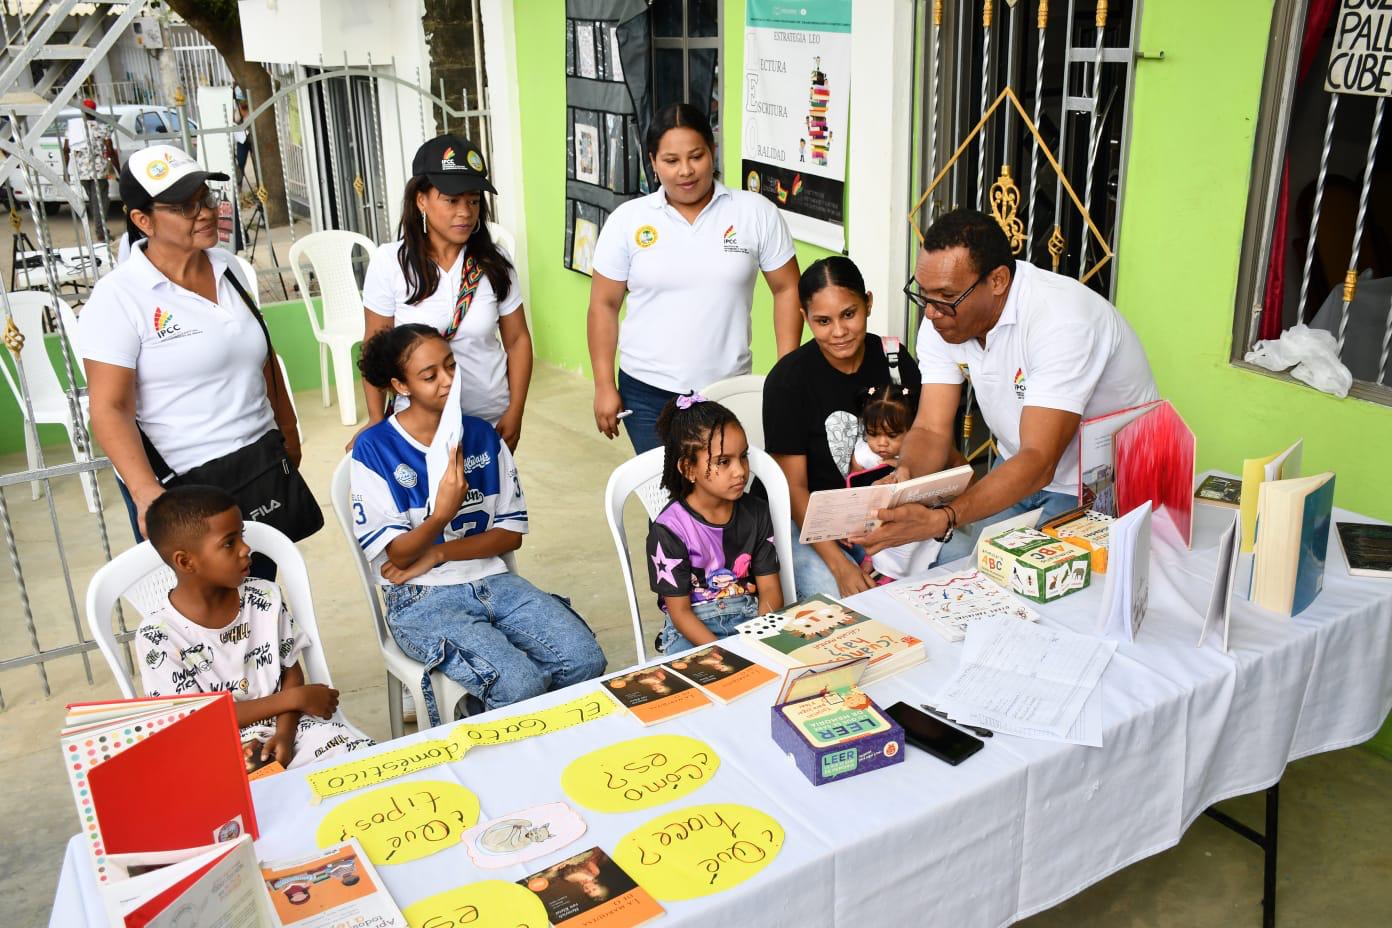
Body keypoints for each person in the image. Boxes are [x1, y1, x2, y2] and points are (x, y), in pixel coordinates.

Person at [856, 208, 1159, 559]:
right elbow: (930, 429)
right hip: (1015, 464)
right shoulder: (942, 316)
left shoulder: (1062, 319)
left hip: (1100, 484)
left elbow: (1039, 461)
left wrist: (943, 519)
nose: (930, 312)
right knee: (962, 570)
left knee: (1039, 591)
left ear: (997, 281)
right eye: (923, 294)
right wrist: (907, 475)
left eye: (944, 297)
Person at [350, 324, 606, 724]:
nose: (448, 381)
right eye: (430, 375)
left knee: (585, 660)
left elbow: (509, 535)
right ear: (400, 386)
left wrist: (438, 552)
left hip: (495, 581)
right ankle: (487, 725)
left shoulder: (483, 436)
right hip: (421, 599)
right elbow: (397, 554)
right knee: (519, 685)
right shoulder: (375, 449)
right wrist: (441, 514)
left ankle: (504, 721)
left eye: (451, 366)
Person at [82, 145, 314, 577]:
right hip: (186, 490)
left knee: (259, 601)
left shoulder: (227, 268)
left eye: (205, 198)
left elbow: (263, 358)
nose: (204, 212)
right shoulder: (119, 297)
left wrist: (288, 431)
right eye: (184, 207)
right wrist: (145, 491)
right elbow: (109, 408)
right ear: (142, 220)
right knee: (208, 621)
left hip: (259, 465)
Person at [587, 102, 801, 453]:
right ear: (653, 161)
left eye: (696, 156)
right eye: (671, 161)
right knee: (668, 496)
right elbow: (603, 304)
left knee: (724, 493)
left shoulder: (754, 213)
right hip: (646, 393)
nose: (685, 171)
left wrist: (785, 374)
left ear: (713, 152)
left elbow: (787, 287)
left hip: (727, 390)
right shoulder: (628, 221)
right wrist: (603, 384)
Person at [135, 485, 373, 770]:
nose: (245, 549)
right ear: (186, 561)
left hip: (292, 729)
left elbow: (290, 672)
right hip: (212, 751)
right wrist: (294, 698)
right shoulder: (158, 635)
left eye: (242, 536)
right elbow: (195, 723)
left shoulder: (265, 597)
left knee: (361, 761)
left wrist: (284, 735)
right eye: (229, 543)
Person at [356, 134, 531, 452]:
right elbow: (374, 347)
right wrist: (374, 419)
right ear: (421, 200)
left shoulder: (494, 264)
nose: (465, 212)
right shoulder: (391, 263)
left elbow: (517, 341)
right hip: (418, 427)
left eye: (474, 201)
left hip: (489, 419)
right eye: (452, 200)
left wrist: (515, 410)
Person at [763, 256, 922, 599]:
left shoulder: (894, 362)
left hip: (880, 511)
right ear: (805, 319)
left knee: (951, 564)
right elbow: (793, 489)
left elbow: (921, 443)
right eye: (823, 321)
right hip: (805, 519)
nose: (838, 331)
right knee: (836, 601)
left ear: (868, 303)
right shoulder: (788, 381)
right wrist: (839, 564)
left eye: (849, 314)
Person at [645, 396, 783, 654]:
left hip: (751, 617)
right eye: (723, 462)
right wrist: (726, 655)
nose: (740, 471)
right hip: (692, 630)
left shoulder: (757, 512)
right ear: (688, 468)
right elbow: (681, 613)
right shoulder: (669, 529)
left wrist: (764, 639)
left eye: (743, 457)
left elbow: (771, 590)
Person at [851, 383, 940, 582]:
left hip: (908, 520)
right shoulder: (863, 454)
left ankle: (895, 574)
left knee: (904, 541)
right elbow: (853, 485)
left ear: (911, 431)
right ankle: (872, 562)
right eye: (873, 434)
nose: (881, 443)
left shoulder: (916, 456)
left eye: (892, 436)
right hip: (873, 516)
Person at [62, 98, 117, 244]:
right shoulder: (102, 128)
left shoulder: (73, 130)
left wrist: (66, 171)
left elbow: (66, 149)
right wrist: (117, 167)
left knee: (94, 201)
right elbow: (110, 150)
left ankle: (100, 229)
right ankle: (101, 232)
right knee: (101, 201)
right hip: (99, 171)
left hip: (82, 171)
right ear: (94, 111)